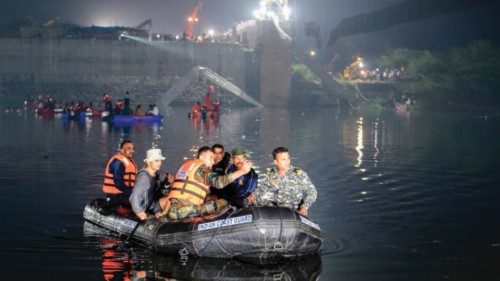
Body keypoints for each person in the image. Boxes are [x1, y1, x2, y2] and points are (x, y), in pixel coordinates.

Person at [164, 146, 252, 220]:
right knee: (223, 203)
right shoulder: (201, 169)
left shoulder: (186, 166)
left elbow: (173, 194)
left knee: (211, 199)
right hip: (185, 211)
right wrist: (242, 171)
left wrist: (164, 213)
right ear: (201, 157)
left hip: (174, 210)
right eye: (211, 158)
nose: (213, 161)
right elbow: (219, 182)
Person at [252, 147, 317, 216]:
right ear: (276, 162)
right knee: (256, 200)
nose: (287, 162)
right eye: (283, 159)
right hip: (276, 212)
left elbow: (312, 192)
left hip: (294, 213)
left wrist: (305, 207)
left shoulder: (299, 174)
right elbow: (261, 191)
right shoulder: (270, 175)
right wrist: (252, 197)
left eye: (288, 158)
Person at [130, 148, 174, 220]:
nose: (159, 163)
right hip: (144, 208)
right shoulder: (144, 178)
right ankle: (160, 216)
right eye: (156, 161)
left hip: (153, 205)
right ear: (149, 162)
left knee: (171, 198)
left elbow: (165, 177)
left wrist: (171, 181)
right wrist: (139, 212)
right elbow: (134, 195)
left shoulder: (157, 174)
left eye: (160, 160)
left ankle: (162, 215)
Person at [102, 140, 138, 206]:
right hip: (115, 196)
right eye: (129, 148)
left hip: (124, 194)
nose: (132, 151)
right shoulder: (118, 162)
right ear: (122, 150)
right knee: (140, 203)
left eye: (133, 148)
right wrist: (132, 193)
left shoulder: (129, 161)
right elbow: (118, 184)